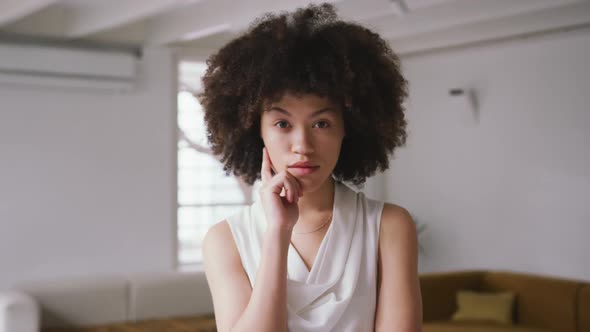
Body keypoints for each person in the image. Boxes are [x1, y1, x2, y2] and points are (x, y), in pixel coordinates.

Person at [199, 3, 422, 332]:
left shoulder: (389, 227)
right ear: (253, 129)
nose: (302, 145)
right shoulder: (225, 240)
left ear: (349, 127)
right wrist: (277, 233)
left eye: (321, 123)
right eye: (282, 123)